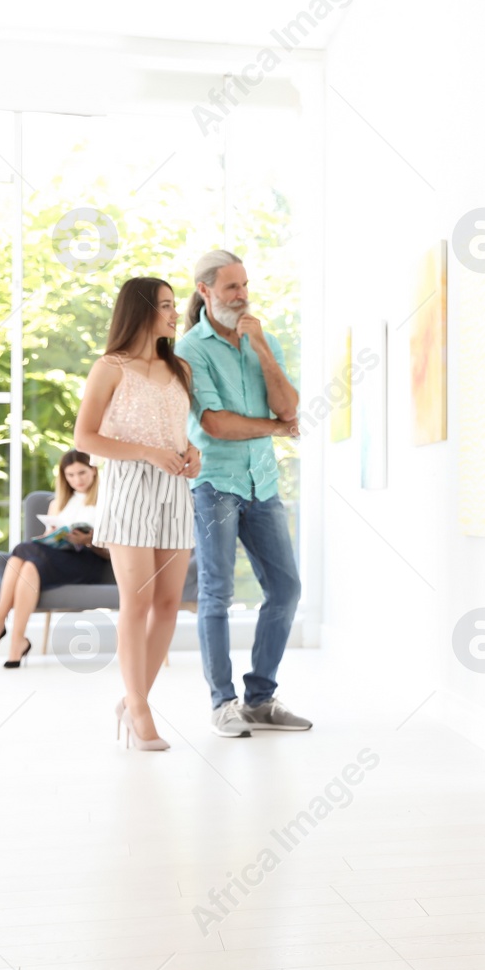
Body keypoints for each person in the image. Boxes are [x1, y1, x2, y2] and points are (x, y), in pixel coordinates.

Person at [175, 249, 310, 739]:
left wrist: (264, 352)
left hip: (263, 483)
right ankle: (222, 703)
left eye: (245, 285)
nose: (242, 295)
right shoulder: (190, 349)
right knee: (217, 592)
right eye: (231, 287)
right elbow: (216, 424)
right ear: (205, 291)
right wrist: (275, 428)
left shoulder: (262, 339)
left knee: (286, 589)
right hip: (216, 484)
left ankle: (260, 699)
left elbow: (290, 405)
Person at [75, 277, 202, 752]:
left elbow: (181, 432)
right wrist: (147, 453)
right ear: (142, 310)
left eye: (174, 306)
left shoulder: (180, 369)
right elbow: (85, 438)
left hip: (175, 487)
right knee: (139, 602)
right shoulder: (111, 367)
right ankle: (141, 709)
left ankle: (133, 701)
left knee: (169, 603)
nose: (175, 314)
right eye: (167, 306)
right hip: (129, 488)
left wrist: (192, 452)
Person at [0, 450, 110, 668]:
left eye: (82, 473)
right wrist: (50, 538)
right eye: (71, 475)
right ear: (63, 477)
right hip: (56, 559)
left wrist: (88, 539)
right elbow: (50, 537)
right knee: (27, 563)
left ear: (94, 471)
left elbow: (112, 549)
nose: (78, 480)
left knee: (23, 549)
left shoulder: (106, 500)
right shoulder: (58, 502)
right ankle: (17, 642)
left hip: (88, 559)